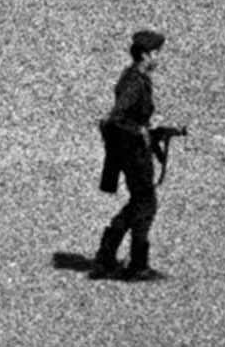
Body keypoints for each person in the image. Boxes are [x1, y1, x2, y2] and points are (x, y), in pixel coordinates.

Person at [88, 29, 174, 281]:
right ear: (145, 55)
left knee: (141, 204)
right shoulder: (134, 82)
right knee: (145, 204)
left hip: (135, 151)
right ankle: (134, 265)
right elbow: (116, 119)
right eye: (156, 53)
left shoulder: (137, 78)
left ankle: (108, 259)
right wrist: (142, 133)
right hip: (133, 154)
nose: (158, 58)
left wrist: (154, 132)